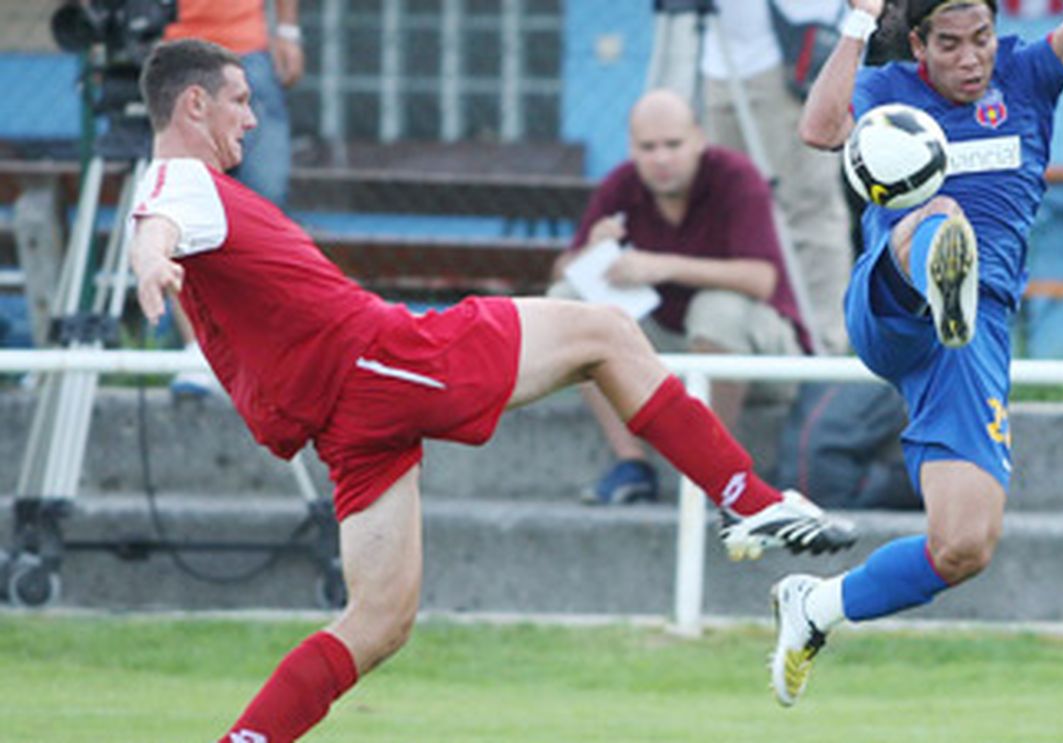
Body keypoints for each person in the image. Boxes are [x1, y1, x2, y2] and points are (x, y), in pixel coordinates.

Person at [128, 39, 857, 741]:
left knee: (379, 620)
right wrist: (150, 260)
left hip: (348, 418)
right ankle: (748, 501)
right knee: (604, 332)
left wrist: (157, 253)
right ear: (194, 105)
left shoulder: (186, 192)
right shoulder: (181, 183)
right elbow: (155, 224)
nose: (251, 118)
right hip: (383, 360)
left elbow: (159, 222)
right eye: (239, 100)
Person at [767, 0, 1063, 706]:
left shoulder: (1026, 76)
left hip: (972, 336)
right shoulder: (888, 88)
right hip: (893, 302)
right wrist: (857, 23)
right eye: (951, 44)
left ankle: (816, 607)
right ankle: (940, 271)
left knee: (965, 545)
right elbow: (819, 130)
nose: (970, 58)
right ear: (919, 45)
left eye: (981, 39)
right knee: (936, 209)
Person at [551, 89, 809, 506]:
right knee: (572, 303)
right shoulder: (622, 183)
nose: (661, 158)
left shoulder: (736, 177)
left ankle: (715, 473)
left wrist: (662, 265)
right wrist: (589, 253)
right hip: (669, 352)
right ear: (632, 148)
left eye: (673, 144)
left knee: (717, 310)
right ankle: (631, 464)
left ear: (699, 140)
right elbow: (562, 275)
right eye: (648, 147)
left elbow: (762, 279)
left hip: (763, 355)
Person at [700, 0, 854, 355]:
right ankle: (743, 339)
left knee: (806, 206)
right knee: (727, 212)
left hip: (785, 54)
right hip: (718, 59)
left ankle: (822, 347)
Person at [164, 0, 302, 396]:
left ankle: (268, 350)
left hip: (247, 51)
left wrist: (288, 30)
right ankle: (197, 349)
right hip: (173, 52)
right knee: (181, 209)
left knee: (266, 206)